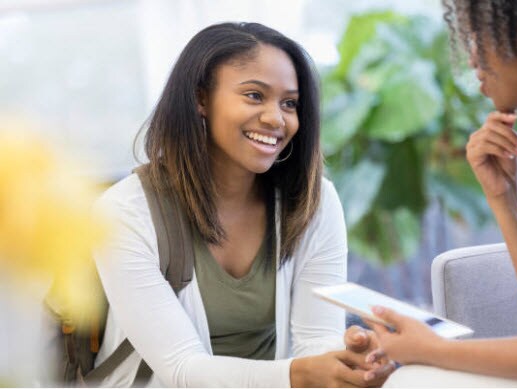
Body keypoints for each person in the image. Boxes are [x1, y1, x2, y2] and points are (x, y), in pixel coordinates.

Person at [93, 22, 389, 387]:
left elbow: (316, 340)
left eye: (290, 103)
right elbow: (183, 369)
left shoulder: (313, 201)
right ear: (201, 99)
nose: (276, 118)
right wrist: (300, 375)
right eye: (254, 95)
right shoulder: (124, 213)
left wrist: (343, 365)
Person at [347, 0, 517, 386]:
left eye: (476, 32)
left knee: (411, 380)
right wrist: (503, 199)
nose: (469, 56)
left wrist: (429, 349)